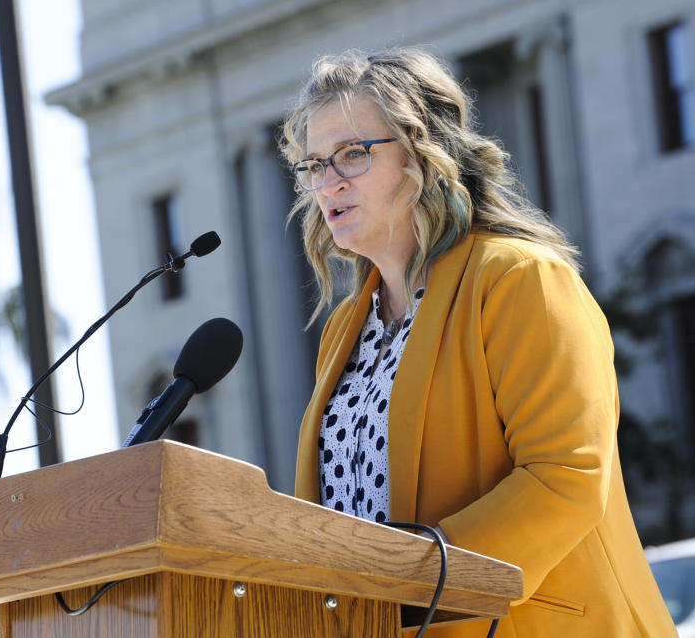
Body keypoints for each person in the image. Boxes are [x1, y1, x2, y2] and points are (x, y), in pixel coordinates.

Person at [282, 48, 676, 637]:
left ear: (427, 154)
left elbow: (563, 478)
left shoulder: (520, 279)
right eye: (314, 165)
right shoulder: (344, 330)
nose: (327, 182)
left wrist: (408, 582)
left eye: (352, 155)